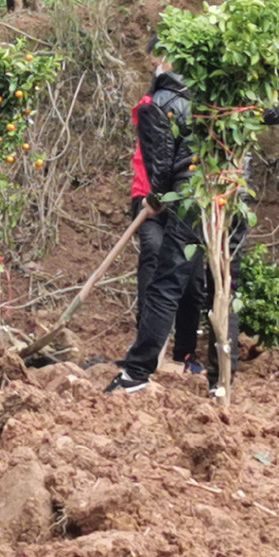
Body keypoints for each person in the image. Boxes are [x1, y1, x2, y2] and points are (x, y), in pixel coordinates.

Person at [106, 43, 203, 394]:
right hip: (148, 200)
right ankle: (149, 347)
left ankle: (185, 350)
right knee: (153, 260)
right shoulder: (153, 104)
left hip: (178, 199)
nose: (163, 64)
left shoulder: (196, 103)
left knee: (190, 274)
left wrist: (166, 192)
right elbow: (152, 158)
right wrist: (150, 196)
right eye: (158, 58)